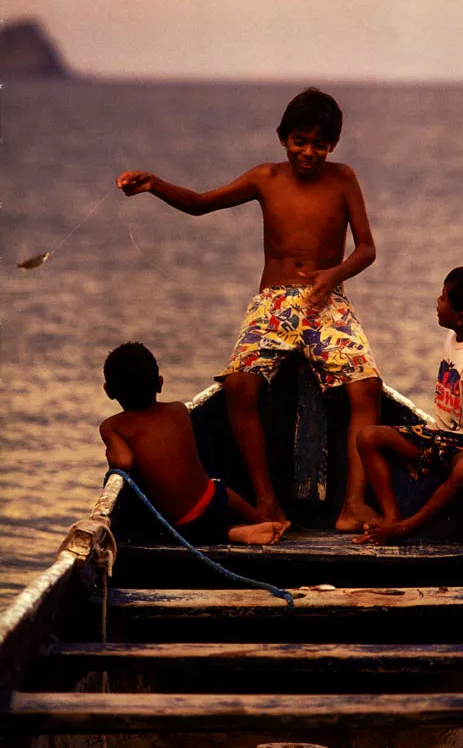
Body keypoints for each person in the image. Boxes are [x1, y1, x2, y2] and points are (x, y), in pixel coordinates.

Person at [116, 88, 383, 532]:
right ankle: (266, 502)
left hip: (326, 299)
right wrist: (155, 185)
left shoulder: (344, 179)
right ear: (283, 137)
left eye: (320, 144)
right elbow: (201, 203)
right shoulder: (265, 178)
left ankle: (353, 504)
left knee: (366, 389)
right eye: (300, 140)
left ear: (333, 144)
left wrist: (333, 275)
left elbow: (367, 249)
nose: (309, 152)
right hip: (273, 301)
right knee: (240, 386)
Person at [354, 266, 463, 545]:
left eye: (443, 299)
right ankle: (391, 517)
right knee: (369, 437)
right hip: (439, 436)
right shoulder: (456, 336)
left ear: (460, 318)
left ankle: (406, 527)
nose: (437, 303)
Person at [100, 342, 287, 545]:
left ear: (108, 391)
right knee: (220, 489)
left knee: (179, 526)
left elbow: (124, 461)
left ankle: (234, 533)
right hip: (214, 504)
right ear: (160, 383)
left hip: (183, 525)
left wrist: (112, 449)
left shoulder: (112, 425)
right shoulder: (178, 410)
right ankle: (262, 521)